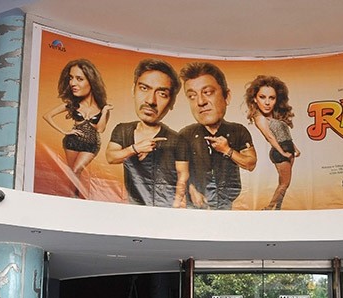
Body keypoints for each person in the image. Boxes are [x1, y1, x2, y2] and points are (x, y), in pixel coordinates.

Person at [106, 58, 190, 207]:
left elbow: (182, 175)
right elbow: (111, 157)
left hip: (165, 208)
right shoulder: (123, 130)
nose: (151, 100)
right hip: (134, 208)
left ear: (172, 102)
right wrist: (136, 148)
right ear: (133, 90)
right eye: (144, 88)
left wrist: (175, 206)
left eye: (162, 94)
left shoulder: (178, 140)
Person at [179, 62, 257, 209]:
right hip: (195, 209)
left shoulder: (238, 131)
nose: (200, 102)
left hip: (229, 206)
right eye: (192, 96)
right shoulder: (185, 135)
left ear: (226, 96)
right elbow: (175, 172)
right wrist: (191, 190)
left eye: (207, 92)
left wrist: (227, 150)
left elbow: (251, 163)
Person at [43, 59, 113, 195]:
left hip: (91, 145)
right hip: (72, 142)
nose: (72, 83)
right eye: (70, 78)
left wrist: (104, 112)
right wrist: (64, 131)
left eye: (79, 78)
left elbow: (100, 129)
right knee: (72, 173)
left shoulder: (103, 108)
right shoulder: (72, 104)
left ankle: (76, 198)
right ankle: (73, 198)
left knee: (76, 170)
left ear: (91, 81)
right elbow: (47, 115)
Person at [245, 75, 301, 210]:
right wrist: (283, 152)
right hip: (280, 151)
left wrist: (295, 148)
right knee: (284, 183)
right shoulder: (259, 117)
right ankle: (269, 208)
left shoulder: (273, 115)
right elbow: (270, 137)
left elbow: (283, 134)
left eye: (272, 98)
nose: (267, 102)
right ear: (255, 98)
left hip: (287, 149)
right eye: (262, 97)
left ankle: (277, 208)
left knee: (284, 183)